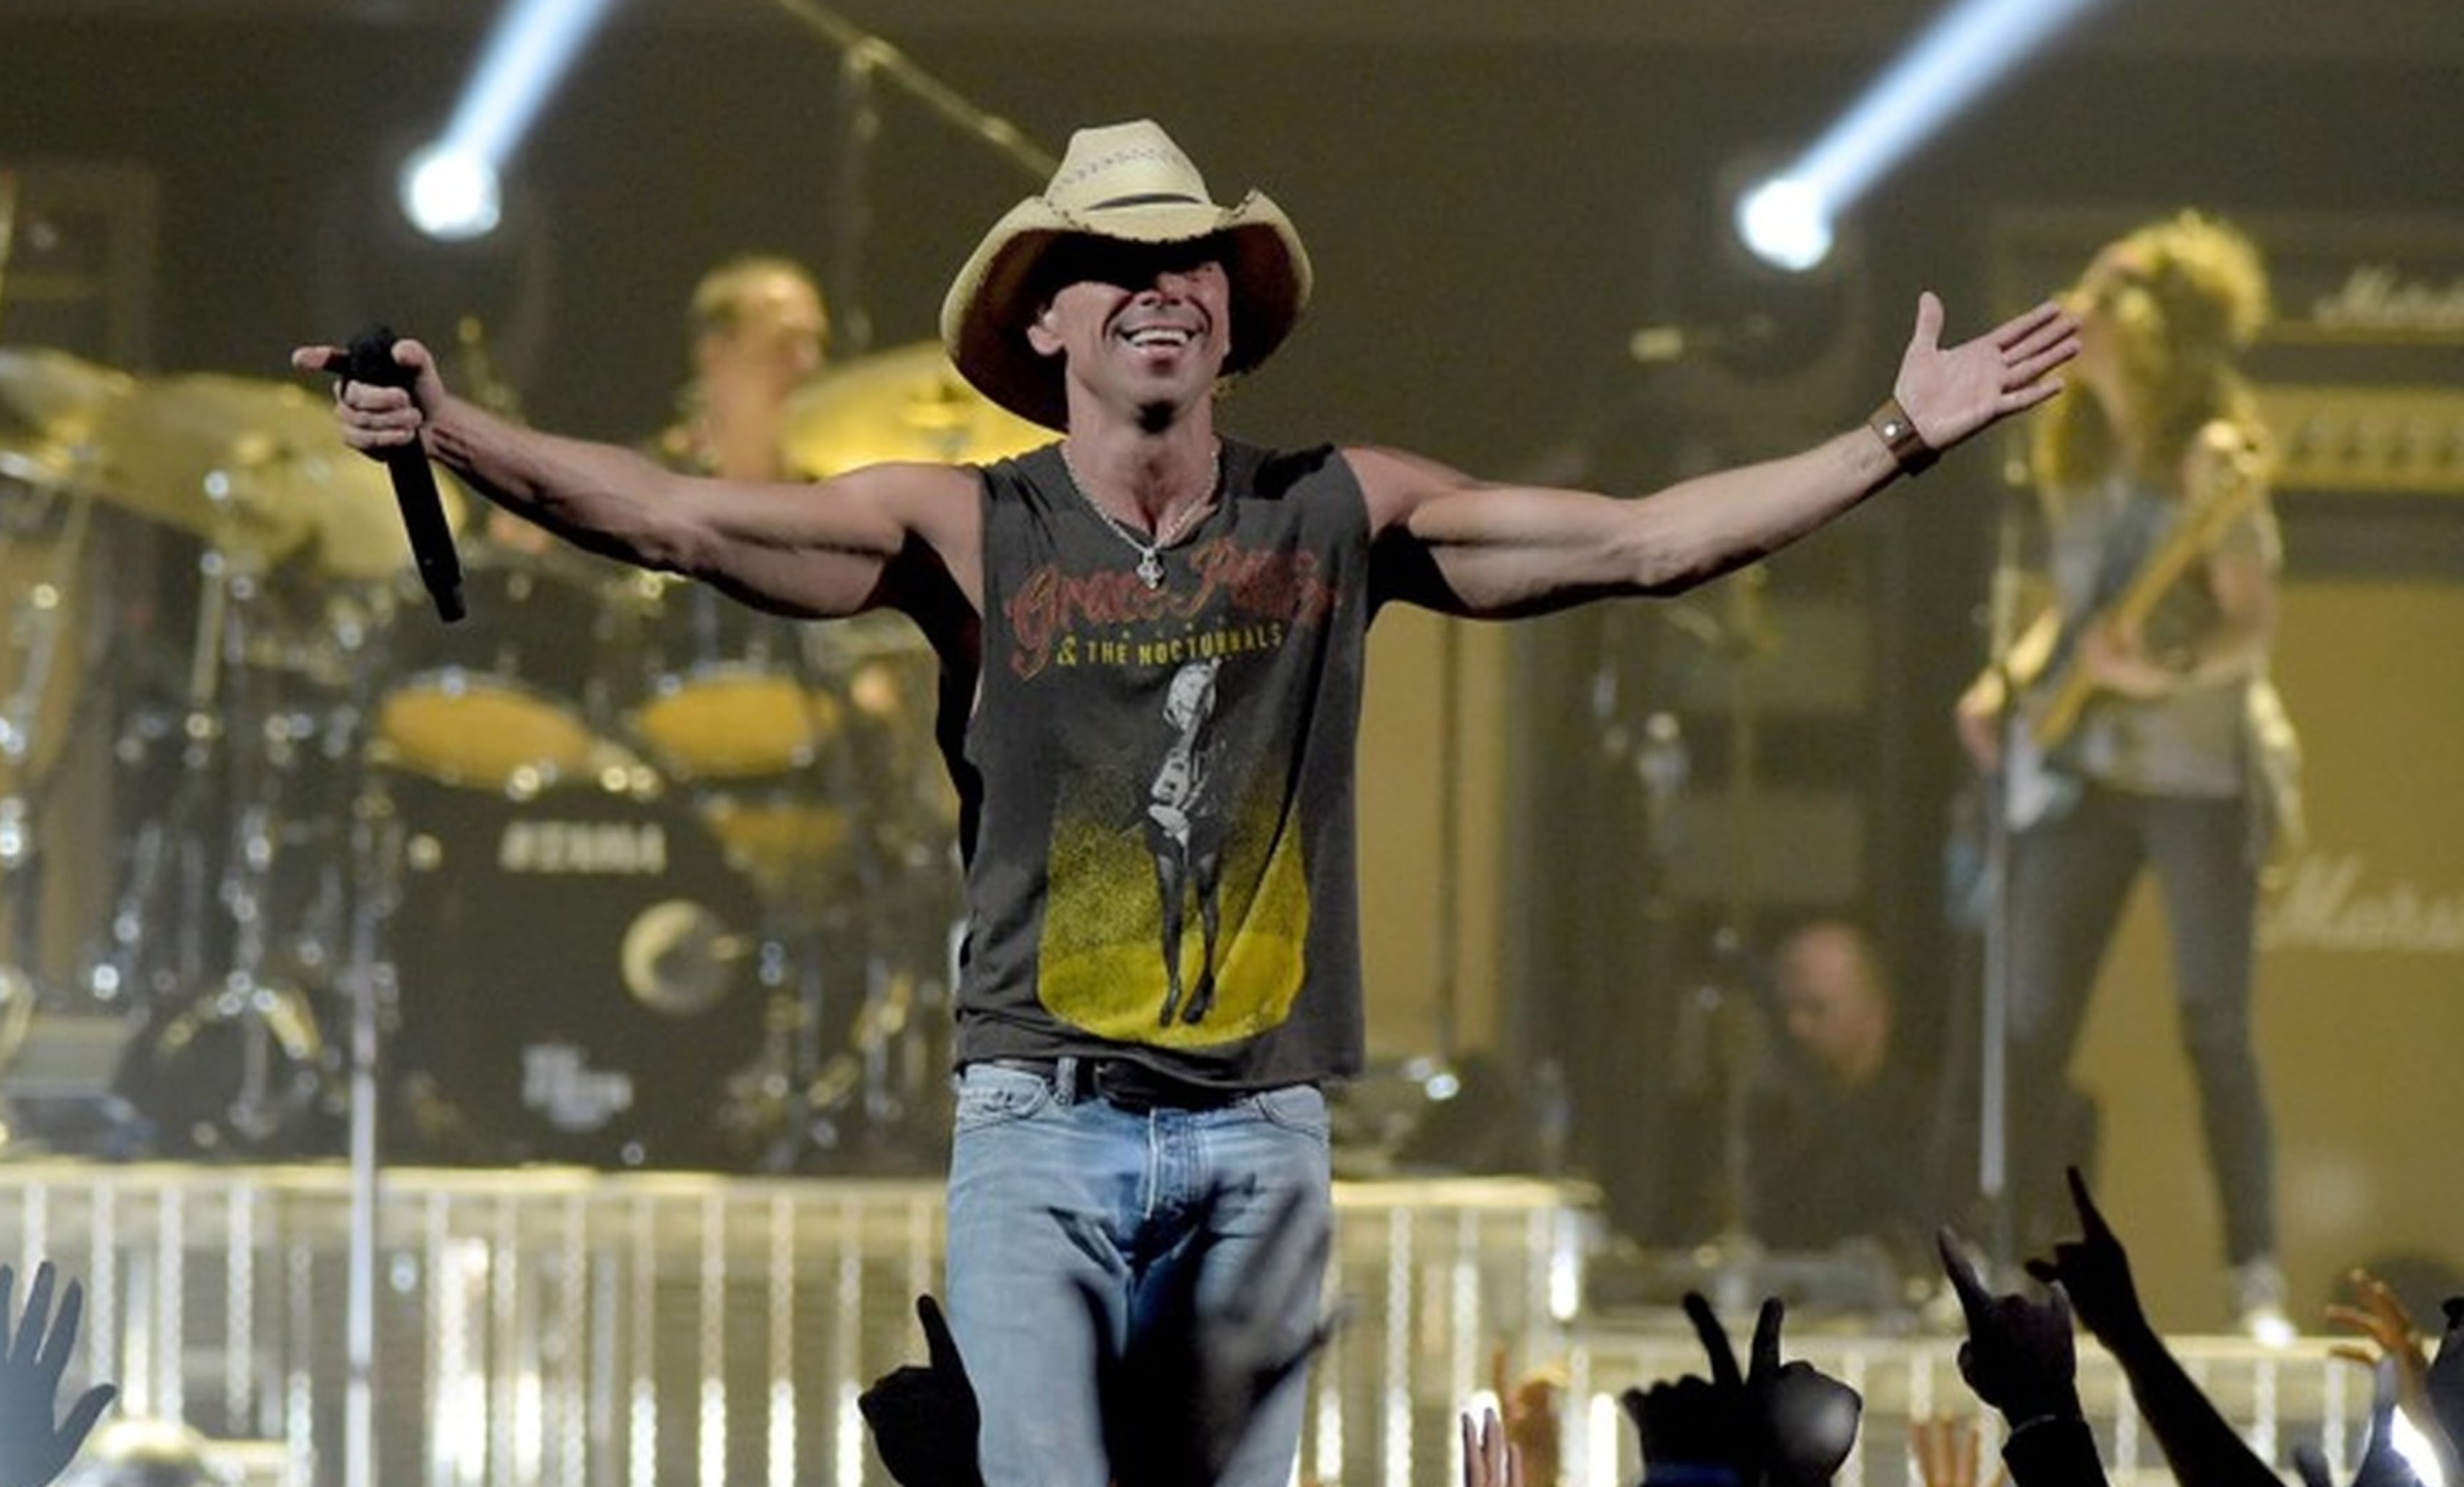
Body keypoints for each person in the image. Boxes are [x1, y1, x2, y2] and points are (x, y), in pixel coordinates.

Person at [300, 118, 2075, 1487]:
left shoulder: (1334, 509)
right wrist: (457, 433)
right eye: (1116, 259)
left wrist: (1889, 439)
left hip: (1259, 1137)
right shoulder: (962, 523)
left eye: (1192, 259)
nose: (1161, 279)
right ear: (1048, 318)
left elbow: (1640, 543)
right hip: (1038, 1127)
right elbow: (681, 515)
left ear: (1228, 314)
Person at [1950, 210, 2290, 1337]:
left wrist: (2157, 668)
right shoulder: (2079, 457)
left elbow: (2249, 630)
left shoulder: (2211, 462)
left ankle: (2255, 1277)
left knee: (2214, 1024)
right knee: (2030, 1017)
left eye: (2100, 303)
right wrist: (2014, 685)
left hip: (2198, 775)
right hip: (2085, 771)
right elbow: (2074, 613)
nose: (2076, 318)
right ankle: (2012, 1259)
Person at [1744, 918, 1939, 1264]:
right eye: (1782, 1011)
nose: (1795, 1027)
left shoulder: (1923, 1134)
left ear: (1876, 1013)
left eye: (1816, 1009)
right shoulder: (1763, 1130)